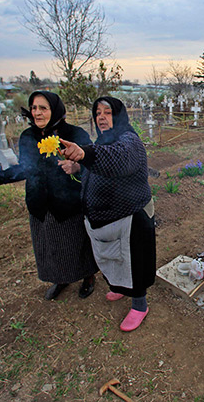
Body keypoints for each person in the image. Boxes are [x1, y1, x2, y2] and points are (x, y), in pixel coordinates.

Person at [0, 91, 98, 301]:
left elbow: (93, 161)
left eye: (43, 108)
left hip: (68, 203)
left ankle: (88, 276)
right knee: (51, 246)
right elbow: (25, 168)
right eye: (34, 108)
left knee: (76, 243)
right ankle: (61, 278)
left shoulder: (74, 134)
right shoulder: (28, 137)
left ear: (55, 110)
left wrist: (77, 166)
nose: (37, 113)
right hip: (40, 202)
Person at [59, 96, 155, 332]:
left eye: (108, 112)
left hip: (129, 216)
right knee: (112, 259)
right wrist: (79, 166)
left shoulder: (129, 141)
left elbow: (116, 160)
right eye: (98, 113)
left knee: (133, 263)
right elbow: (100, 164)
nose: (101, 117)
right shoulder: (102, 140)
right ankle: (120, 288)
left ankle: (139, 305)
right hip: (105, 217)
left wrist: (84, 155)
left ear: (119, 115)